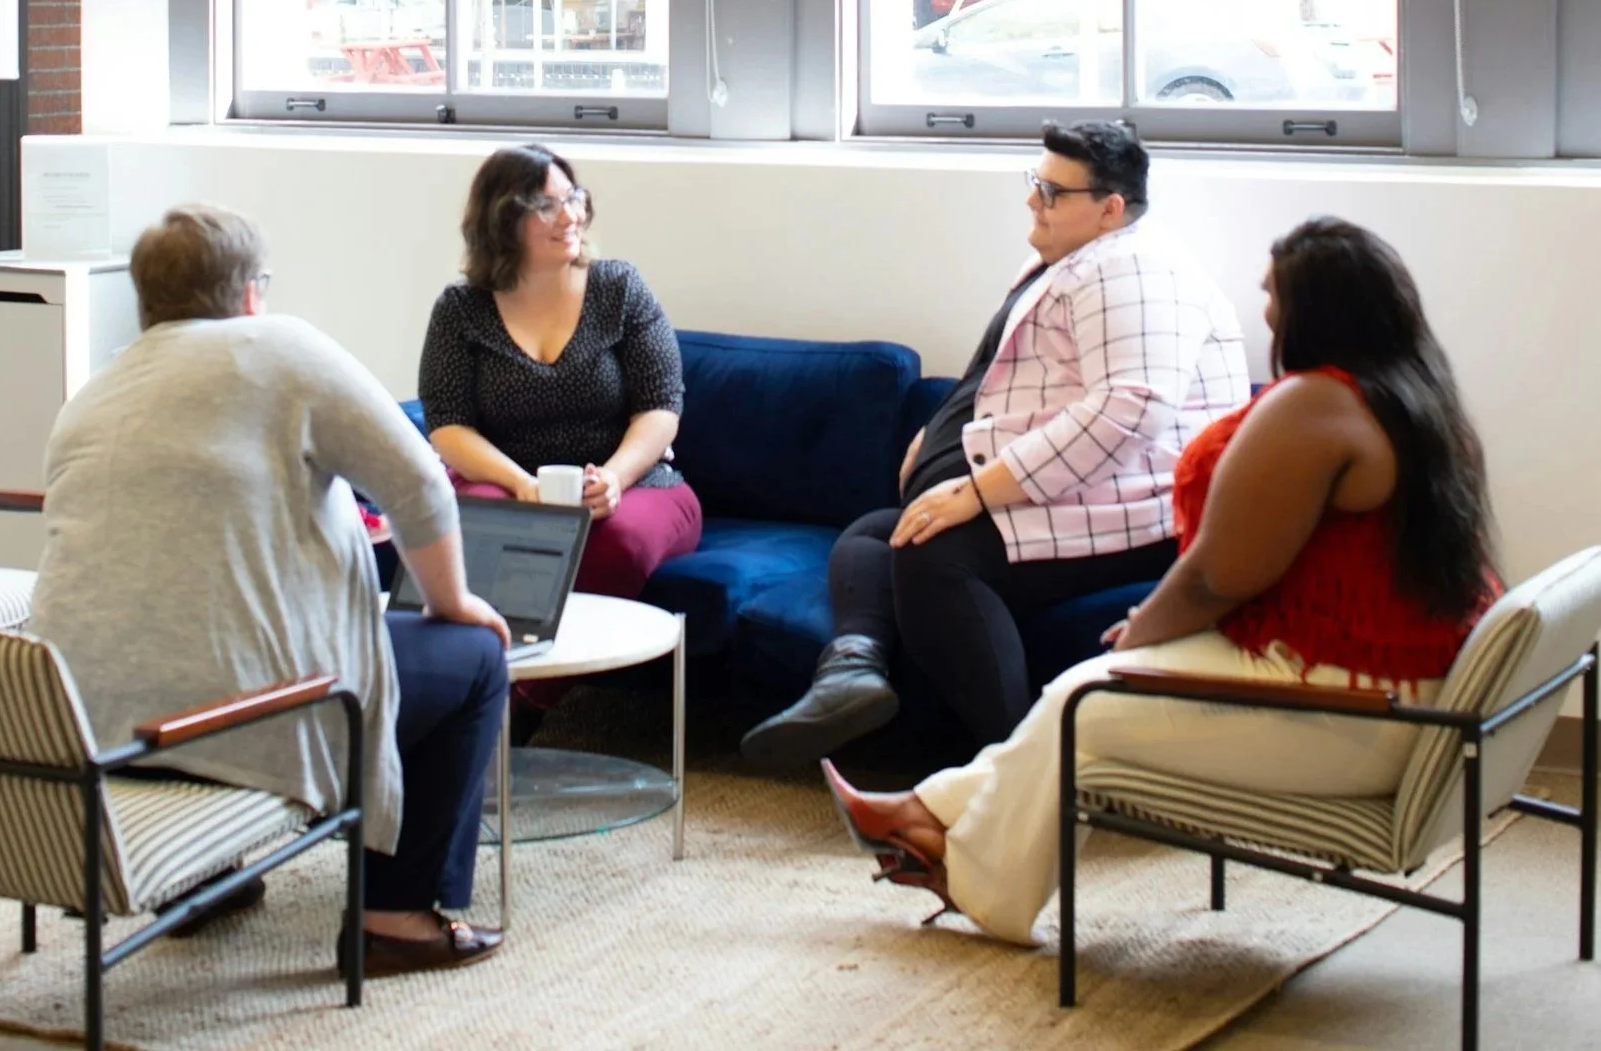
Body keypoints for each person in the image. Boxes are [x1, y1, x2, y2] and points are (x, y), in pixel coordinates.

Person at [819, 217, 1501, 945]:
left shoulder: (1318, 406)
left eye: (1273, 293)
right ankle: (928, 816)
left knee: (1087, 702)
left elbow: (1217, 574)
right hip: (1391, 678)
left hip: (1355, 704)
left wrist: (1143, 634)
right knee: (1081, 697)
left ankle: (973, 874)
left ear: (1315, 308)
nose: (1264, 308)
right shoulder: (1417, 396)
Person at [29, 205, 512, 978]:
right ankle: (395, 914)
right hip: (236, 723)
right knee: (473, 660)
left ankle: (205, 879)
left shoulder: (96, 390)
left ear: (146, 299)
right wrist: (452, 600)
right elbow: (421, 484)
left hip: (87, 725)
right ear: (252, 292)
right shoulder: (280, 347)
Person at [741, 120, 1251, 765]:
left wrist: (979, 489)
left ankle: (1012, 768)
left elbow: (1131, 410)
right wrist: (940, 435)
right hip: (1085, 493)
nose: (1033, 200)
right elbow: (1020, 379)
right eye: (1034, 182)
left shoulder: (1135, 271)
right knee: (876, 532)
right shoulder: (1073, 261)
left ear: (1109, 208)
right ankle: (851, 672)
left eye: (1052, 191)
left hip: (1137, 509)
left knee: (934, 554)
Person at [418, 145, 703, 725]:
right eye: (546, 206)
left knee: (614, 540)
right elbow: (446, 423)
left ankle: (517, 707)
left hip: (639, 483)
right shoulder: (461, 309)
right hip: (509, 481)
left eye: (572, 198)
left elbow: (662, 405)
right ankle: (470, 687)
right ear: (503, 219)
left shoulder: (618, 288)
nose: (569, 216)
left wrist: (616, 478)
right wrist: (519, 482)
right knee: (485, 525)